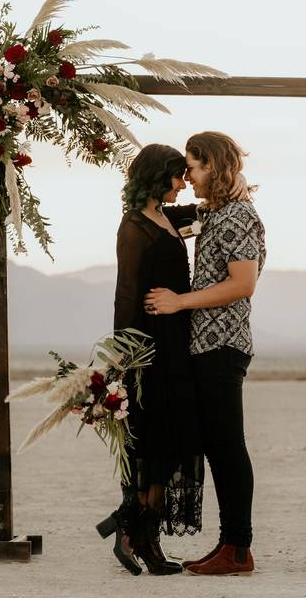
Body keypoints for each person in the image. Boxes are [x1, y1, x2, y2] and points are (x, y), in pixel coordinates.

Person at [95, 144, 248, 575]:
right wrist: (122, 360)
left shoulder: (167, 217)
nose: (184, 184)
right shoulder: (134, 228)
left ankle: (137, 529)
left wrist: (232, 185)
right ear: (157, 177)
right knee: (154, 440)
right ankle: (139, 536)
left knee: (171, 440)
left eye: (187, 174)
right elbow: (126, 296)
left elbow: (218, 214)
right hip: (150, 347)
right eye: (177, 176)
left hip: (178, 341)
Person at [145, 131, 266, 576]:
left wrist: (179, 301)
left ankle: (238, 548)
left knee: (228, 447)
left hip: (223, 344)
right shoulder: (215, 213)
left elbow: (243, 283)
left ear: (211, 165)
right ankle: (231, 545)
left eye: (192, 168)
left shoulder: (235, 216)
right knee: (218, 446)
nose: (188, 177)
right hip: (208, 345)